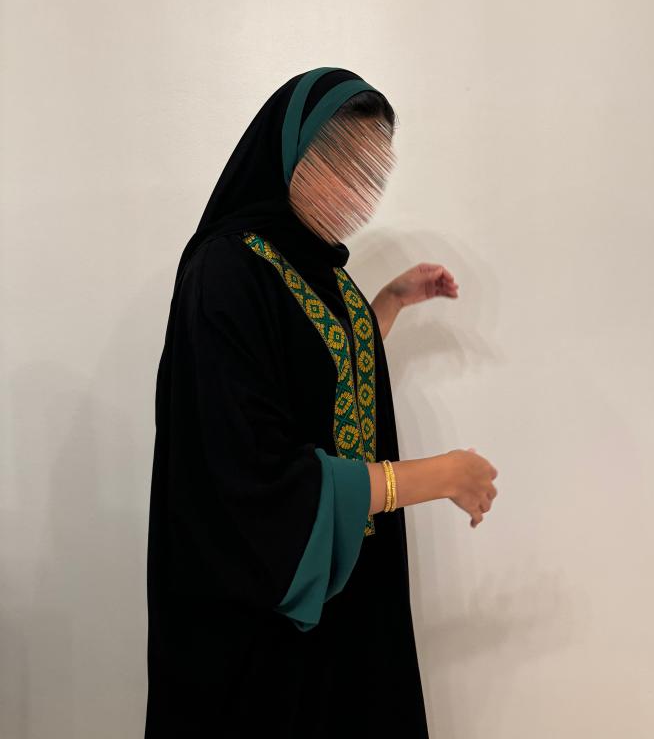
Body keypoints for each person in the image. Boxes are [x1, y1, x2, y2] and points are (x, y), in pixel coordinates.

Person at [144, 66, 499, 738]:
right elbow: (253, 474)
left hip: (346, 600)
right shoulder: (227, 269)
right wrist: (438, 476)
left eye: (369, 174)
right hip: (266, 619)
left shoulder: (318, 270)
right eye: (336, 163)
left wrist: (387, 303)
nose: (353, 192)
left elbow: (315, 374)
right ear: (287, 150)